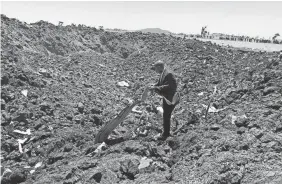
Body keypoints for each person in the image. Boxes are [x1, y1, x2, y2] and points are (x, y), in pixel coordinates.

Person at [149, 60, 179, 140]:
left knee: (166, 115)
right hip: (166, 97)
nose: (155, 70)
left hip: (170, 98)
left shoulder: (168, 74)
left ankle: (166, 134)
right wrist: (154, 85)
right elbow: (160, 83)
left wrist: (156, 88)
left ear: (159, 67)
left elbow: (170, 86)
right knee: (166, 115)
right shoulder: (163, 73)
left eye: (155, 68)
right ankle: (166, 132)